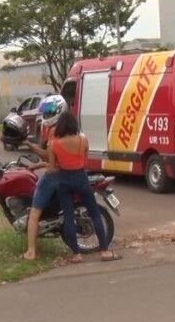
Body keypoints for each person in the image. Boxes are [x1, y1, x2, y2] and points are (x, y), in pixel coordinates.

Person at [49, 111, 120, 263]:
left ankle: (76, 255)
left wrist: (63, 164)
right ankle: (105, 252)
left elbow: (52, 168)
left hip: (63, 180)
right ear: (74, 124)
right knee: (95, 214)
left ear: (60, 126)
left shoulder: (54, 144)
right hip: (81, 178)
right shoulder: (84, 141)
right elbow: (84, 162)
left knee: (68, 216)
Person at [21, 94, 66, 261]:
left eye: (50, 111)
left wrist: (29, 145)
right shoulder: (66, 128)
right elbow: (56, 158)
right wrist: (36, 165)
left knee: (34, 214)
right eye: (45, 111)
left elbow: (48, 156)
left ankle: (31, 252)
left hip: (52, 176)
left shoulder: (55, 131)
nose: (47, 114)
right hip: (63, 173)